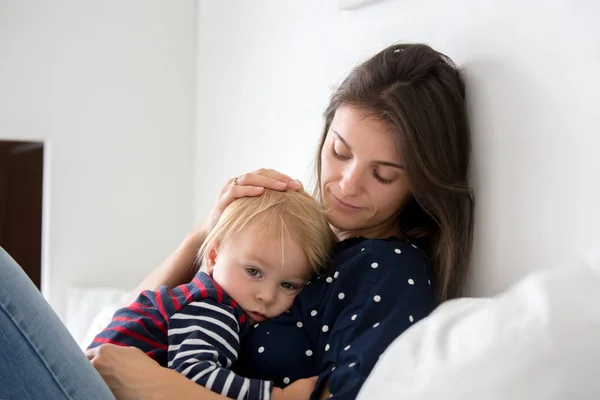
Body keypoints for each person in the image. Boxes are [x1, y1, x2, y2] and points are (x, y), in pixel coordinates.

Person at [0, 42, 474, 400]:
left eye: (383, 174)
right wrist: (205, 234)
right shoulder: (305, 241)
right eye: (339, 151)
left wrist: (154, 384)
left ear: (420, 183)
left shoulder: (388, 271)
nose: (348, 184)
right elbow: (137, 316)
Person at [88, 189, 334, 400]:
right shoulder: (214, 307)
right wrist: (276, 396)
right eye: (253, 271)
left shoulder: (202, 298)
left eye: (288, 285)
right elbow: (195, 375)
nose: (267, 296)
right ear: (213, 256)